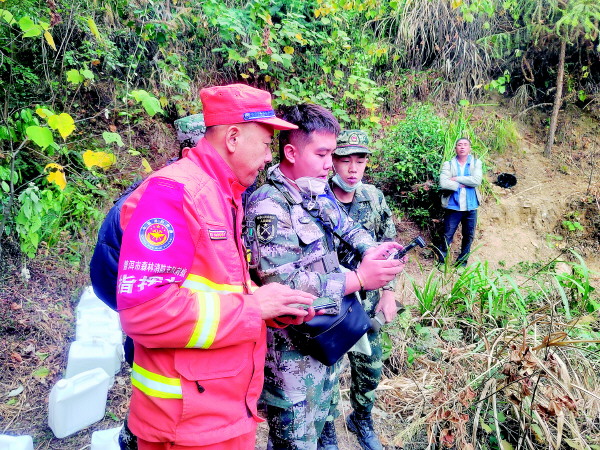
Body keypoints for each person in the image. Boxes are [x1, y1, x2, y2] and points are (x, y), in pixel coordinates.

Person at [115, 84, 317, 450]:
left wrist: (272, 305)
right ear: (233, 138)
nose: (268, 157)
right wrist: (253, 308)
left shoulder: (223, 194)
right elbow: (144, 313)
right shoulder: (176, 194)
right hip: (186, 425)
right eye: (266, 144)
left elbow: (214, 284)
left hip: (222, 411)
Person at [245, 104, 405, 450]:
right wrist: (359, 279)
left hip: (325, 342)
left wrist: (371, 250)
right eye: (322, 154)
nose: (329, 164)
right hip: (292, 356)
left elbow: (345, 225)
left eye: (332, 154)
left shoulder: (312, 190)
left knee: (319, 430)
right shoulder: (269, 205)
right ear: (291, 152)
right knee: (294, 440)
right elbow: (282, 286)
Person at [328, 130, 399, 450]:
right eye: (346, 161)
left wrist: (389, 293)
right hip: (331, 302)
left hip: (366, 304)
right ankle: (326, 430)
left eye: (360, 160)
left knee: (370, 368)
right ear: (333, 161)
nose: (353, 168)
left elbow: (390, 246)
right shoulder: (318, 197)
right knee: (328, 370)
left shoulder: (373, 197)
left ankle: (361, 418)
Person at [438, 137, 483, 267]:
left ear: (469, 148)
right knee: (447, 234)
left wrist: (456, 179)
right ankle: (441, 262)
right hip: (453, 206)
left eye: (465, 145)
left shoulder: (476, 163)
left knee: (468, 236)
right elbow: (443, 183)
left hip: (471, 206)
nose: (462, 147)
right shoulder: (448, 164)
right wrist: (462, 184)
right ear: (455, 148)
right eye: (459, 145)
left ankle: (462, 263)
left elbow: (476, 181)